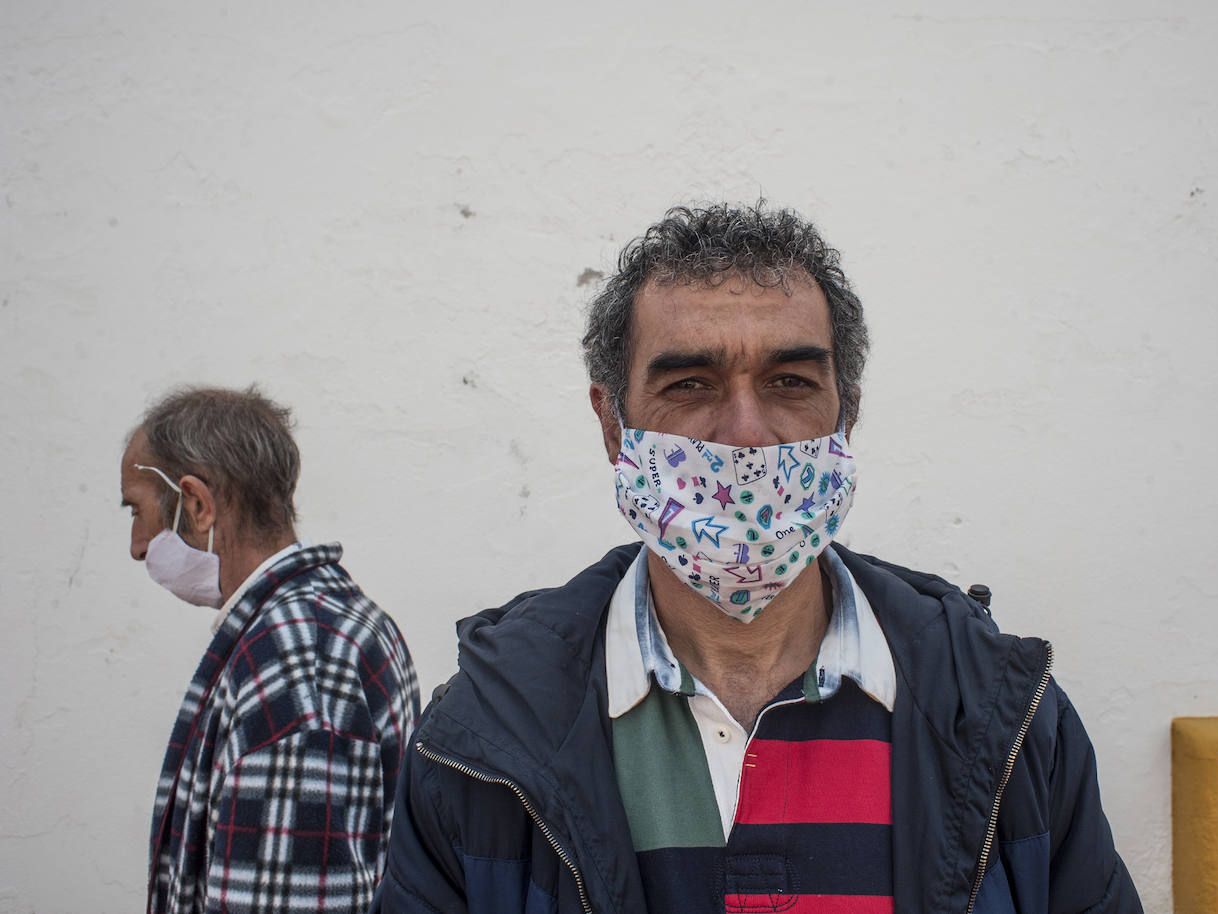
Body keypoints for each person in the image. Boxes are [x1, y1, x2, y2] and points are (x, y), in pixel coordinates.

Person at [372, 204, 1141, 913]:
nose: (744, 433)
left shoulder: (1009, 719)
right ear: (614, 426)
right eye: (689, 383)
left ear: (848, 410)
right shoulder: (478, 741)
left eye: (790, 382)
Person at [120, 385, 421, 914]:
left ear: (196, 503)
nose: (138, 544)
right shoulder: (323, 623)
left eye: (136, 510)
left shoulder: (295, 657)